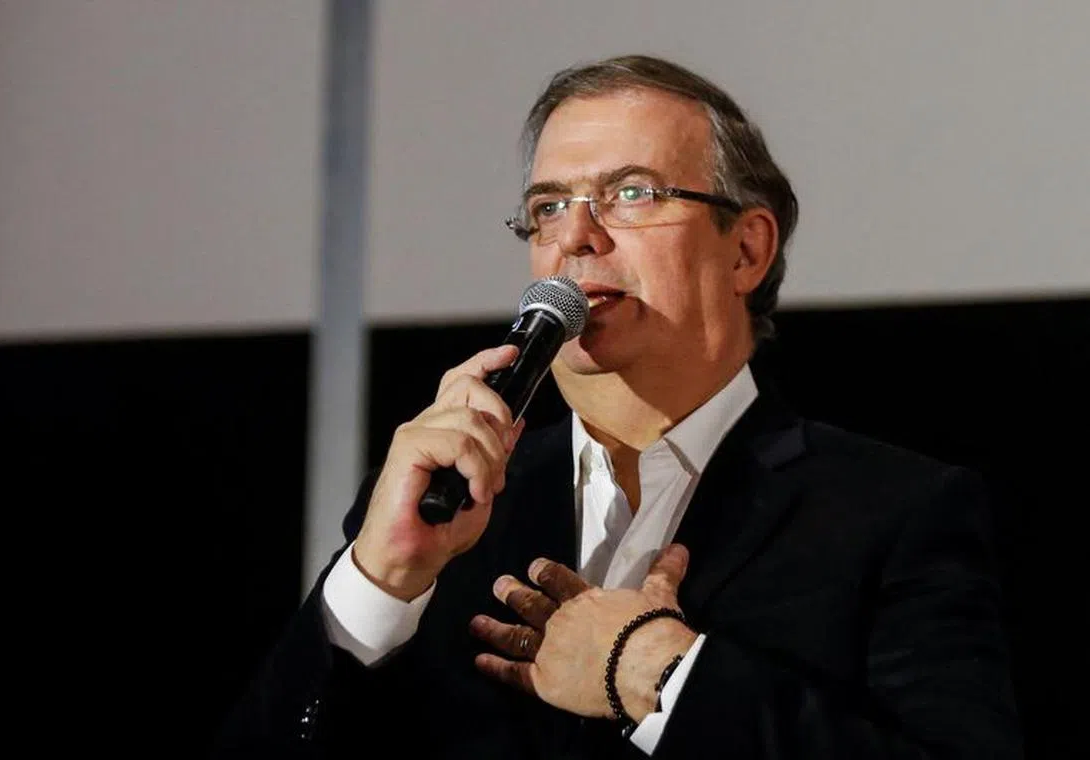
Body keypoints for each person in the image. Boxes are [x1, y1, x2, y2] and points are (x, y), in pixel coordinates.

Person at [213, 54, 1021, 758]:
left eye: (630, 193)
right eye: (548, 207)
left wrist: (661, 675)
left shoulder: (893, 512)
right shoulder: (445, 507)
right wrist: (378, 579)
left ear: (746, 250)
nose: (576, 237)